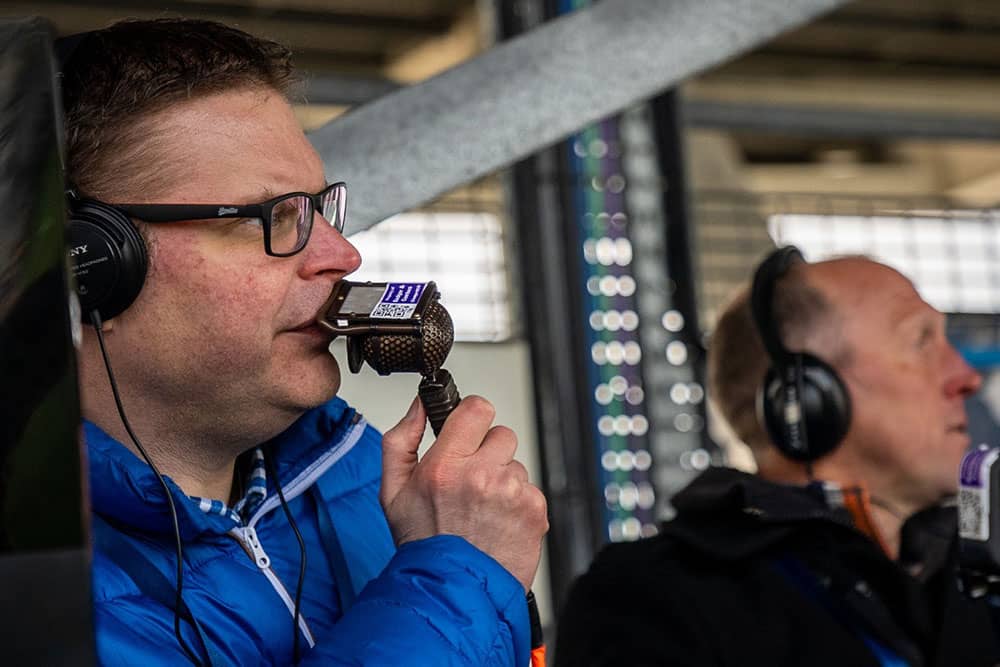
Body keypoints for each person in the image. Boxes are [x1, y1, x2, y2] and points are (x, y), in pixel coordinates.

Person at [62, 19, 547, 666]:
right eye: (273, 217)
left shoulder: (378, 483)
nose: (342, 255)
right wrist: (454, 580)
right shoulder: (38, 591)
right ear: (91, 269)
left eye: (320, 210)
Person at [555, 248, 1000, 666]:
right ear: (807, 396)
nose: (965, 378)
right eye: (921, 342)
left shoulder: (979, 581)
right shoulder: (651, 598)